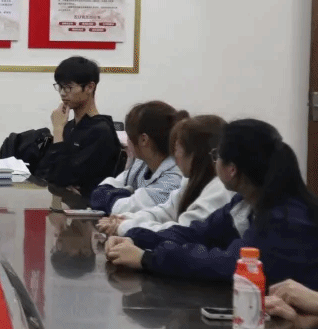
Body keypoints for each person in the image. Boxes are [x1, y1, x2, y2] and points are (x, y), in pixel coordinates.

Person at [105, 119, 318, 289]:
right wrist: (134, 238)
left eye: (217, 156)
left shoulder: (284, 218)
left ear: (232, 169)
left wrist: (147, 258)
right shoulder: (244, 202)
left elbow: (225, 264)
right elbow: (195, 233)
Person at [98, 115, 230, 237]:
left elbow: (181, 232)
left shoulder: (217, 190)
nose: (175, 155)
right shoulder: (188, 179)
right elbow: (165, 211)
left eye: (177, 149)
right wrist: (124, 218)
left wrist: (125, 225)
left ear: (196, 154)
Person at [34, 56, 122, 197]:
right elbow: (43, 174)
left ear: (90, 87)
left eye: (68, 87)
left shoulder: (100, 131)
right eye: (60, 87)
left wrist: (57, 130)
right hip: (66, 203)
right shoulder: (69, 126)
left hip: (88, 206)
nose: (62, 93)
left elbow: (61, 178)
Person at [90, 101, 186, 215]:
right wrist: (128, 194)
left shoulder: (175, 178)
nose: (127, 141)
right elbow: (98, 194)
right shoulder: (141, 163)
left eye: (129, 135)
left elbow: (123, 209)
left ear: (143, 140)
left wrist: (124, 193)